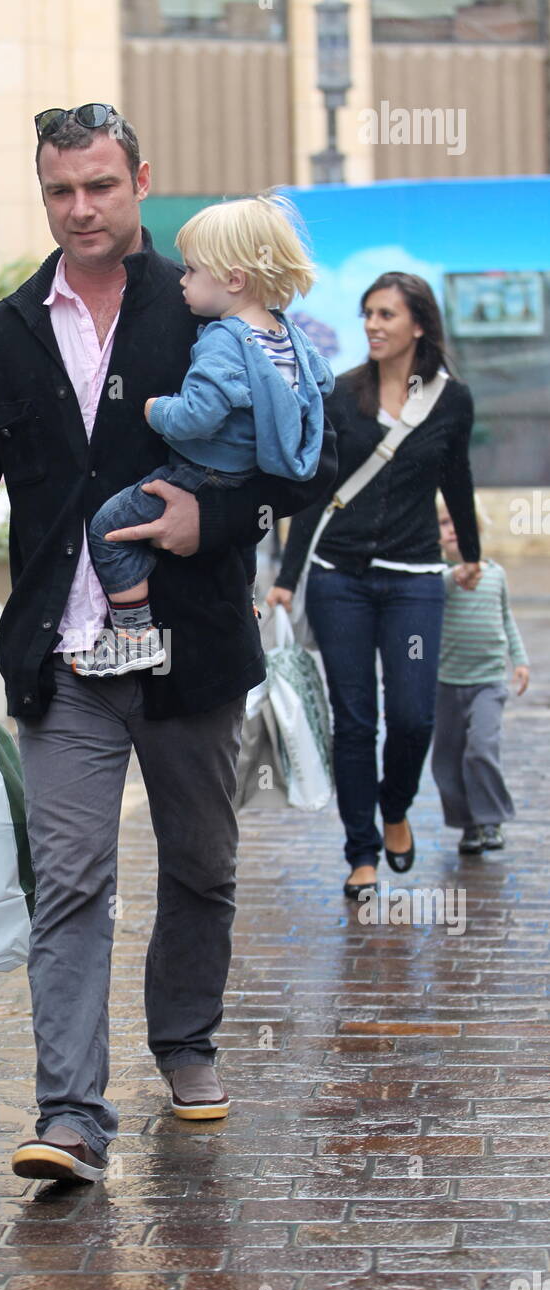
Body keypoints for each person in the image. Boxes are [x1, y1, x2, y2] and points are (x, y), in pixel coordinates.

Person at [0, 102, 336, 1184]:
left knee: (202, 868)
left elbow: (306, 462)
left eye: (101, 186)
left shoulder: (203, 302)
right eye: (60, 190)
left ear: (138, 181)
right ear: (44, 194)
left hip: (191, 651)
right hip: (61, 660)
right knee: (68, 880)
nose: (81, 208)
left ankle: (186, 1040)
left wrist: (207, 521)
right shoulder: (8, 331)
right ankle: (69, 1112)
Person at [266, 272, 482, 899]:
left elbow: (458, 481)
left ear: (418, 323)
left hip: (414, 582)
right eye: (367, 314)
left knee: (413, 716)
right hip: (341, 583)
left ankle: (395, 807)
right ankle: (361, 850)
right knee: (356, 720)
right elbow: (313, 491)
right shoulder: (343, 394)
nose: (373, 325)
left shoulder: (449, 399)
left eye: (386, 314)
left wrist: (469, 554)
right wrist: (286, 576)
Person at [75, 194, 333, 677]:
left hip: (202, 472)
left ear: (234, 279)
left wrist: (155, 409)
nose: (183, 282)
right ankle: (246, 606)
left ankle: (134, 637)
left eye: (193, 271)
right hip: (248, 476)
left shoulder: (222, 339)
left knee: (108, 530)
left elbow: (197, 416)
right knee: (241, 541)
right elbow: (321, 386)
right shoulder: (287, 334)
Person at [432, 499, 529, 854]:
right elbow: (434, 591)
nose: (453, 528)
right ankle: (467, 826)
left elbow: (506, 619)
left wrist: (519, 660)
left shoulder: (496, 574)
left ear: (479, 530)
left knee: (481, 749)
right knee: (446, 760)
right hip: (446, 683)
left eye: (461, 522)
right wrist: (452, 575)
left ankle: (492, 820)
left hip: (489, 682)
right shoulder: (436, 577)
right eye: (445, 522)